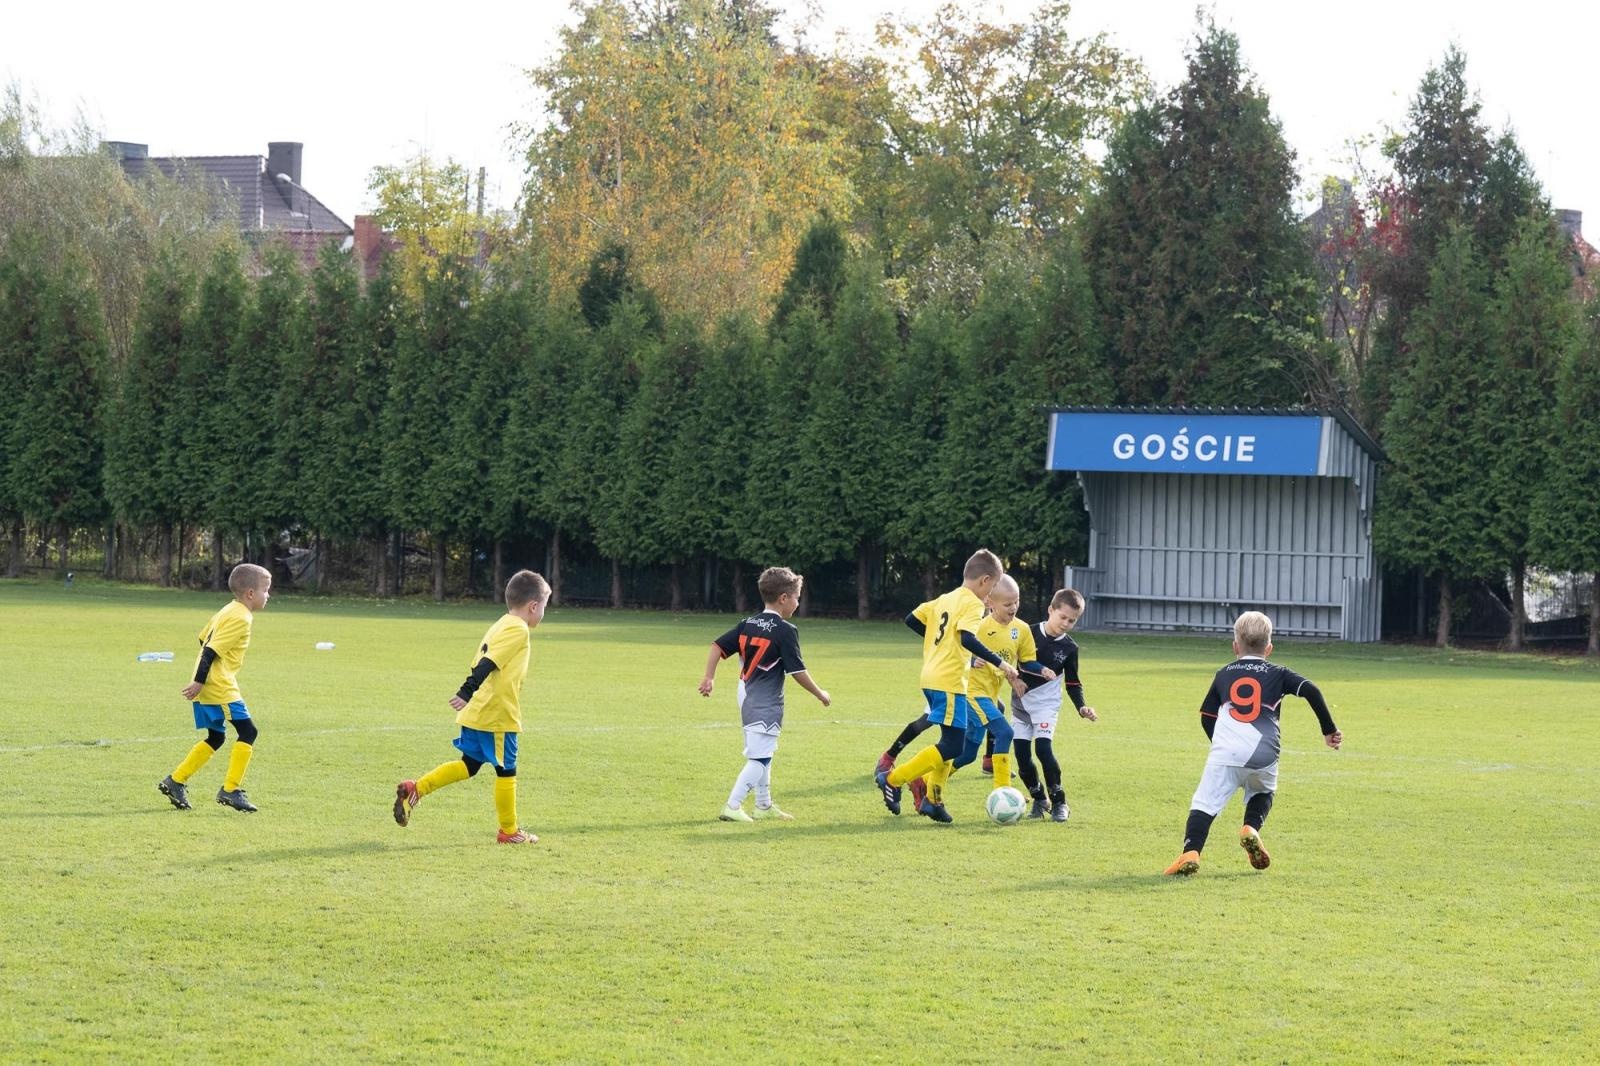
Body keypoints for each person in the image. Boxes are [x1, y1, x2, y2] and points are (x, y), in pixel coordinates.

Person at [1164, 611, 1342, 876]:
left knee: (1204, 802)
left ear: (1235, 646)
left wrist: (1221, 742)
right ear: (1269, 648)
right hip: (1265, 752)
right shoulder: (1279, 673)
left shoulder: (1224, 673)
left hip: (1227, 753)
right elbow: (1312, 690)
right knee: (1263, 791)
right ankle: (1250, 828)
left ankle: (1191, 852)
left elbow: (1206, 716)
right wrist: (1329, 730)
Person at [393, 570, 551, 844]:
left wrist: (469, 695)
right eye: (545, 607)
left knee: (469, 765)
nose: (544, 613)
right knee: (506, 769)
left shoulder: (501, 623)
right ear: (533, 606)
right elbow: (489, 662)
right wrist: (467, 689)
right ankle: (509, 831)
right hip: (496, 714)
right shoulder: (518, 629)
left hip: (477, 711)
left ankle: (416, 789)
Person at [875, 549, 1018, 823]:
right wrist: (1000, 663)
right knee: (953, 746)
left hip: (931, 677)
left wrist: (939, 646)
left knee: (955, 742)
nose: (989, 596)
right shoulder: (973, 604)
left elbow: (912, 619)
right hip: (949, 680)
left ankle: (933, 800)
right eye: (992, 588)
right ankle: (893, 779)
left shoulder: (945, 598)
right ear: (984, 581)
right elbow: (966, 638)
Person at [894, 576, 1038, 815]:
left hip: (988, 697)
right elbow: (959, 643)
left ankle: (924, 781)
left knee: (967, 754)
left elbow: (1026, 662)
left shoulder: (1021, 629)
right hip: (969, 693)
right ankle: (1004, 791)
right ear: (991, 602)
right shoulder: (978, 625)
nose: (1013, 607)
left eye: (1016, 602)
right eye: (1007, 603)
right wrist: (972, 660)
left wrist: (1025, 675)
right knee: (1004, 732)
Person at [699, 566, 830, 822]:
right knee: (759, 758)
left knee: (764, 751)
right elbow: (797, 671)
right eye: (796, 597)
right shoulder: (785, 630)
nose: (797, 602)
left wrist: (709, 677)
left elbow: (717, 646)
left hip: (746, 693)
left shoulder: (747, 624)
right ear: (783, 598)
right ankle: (733, 805)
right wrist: (819, 693)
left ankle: (763, 805)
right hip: (765, 699)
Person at [158, 563, 273, 813]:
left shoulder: (228, 609)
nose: (268, 595)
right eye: (266, 590)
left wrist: (201, 677)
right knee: (248, 732)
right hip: (218, 684)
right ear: (250, 593)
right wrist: (201, 681)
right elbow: (210, 649)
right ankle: (230, 790)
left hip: (210, 680)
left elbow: (203, 637)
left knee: (217, 737)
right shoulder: (242, 616)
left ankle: (175, 781)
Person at [1012, 588, 1098, 822]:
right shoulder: (1025, 633)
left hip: (1046, 705)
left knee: (1043, 749)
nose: (1066, 623)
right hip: (1020, 705)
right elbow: (1007, 662)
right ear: (1051, 610)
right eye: (1063, 617)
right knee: (1021, 755)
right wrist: (1014, 678)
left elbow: (1072, 682)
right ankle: (1039, 798)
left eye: (1072, 620)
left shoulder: (1070, 648)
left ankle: (1060, 802)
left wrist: (1082, 707)